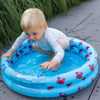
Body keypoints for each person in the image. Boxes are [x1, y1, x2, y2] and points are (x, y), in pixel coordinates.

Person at [1, 8, 69, 71]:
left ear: (44, 27)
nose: (31, 37)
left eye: (34, 33)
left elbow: (60, 51)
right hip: (48, 46)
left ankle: (59, 61)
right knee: (34, 46)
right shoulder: (30, 31)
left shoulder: (49, 36)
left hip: (62, 42)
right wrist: (11, 52)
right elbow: (19, 40)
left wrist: (52, 62)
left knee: (54, 65)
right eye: (27, 34)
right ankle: (53, 54)